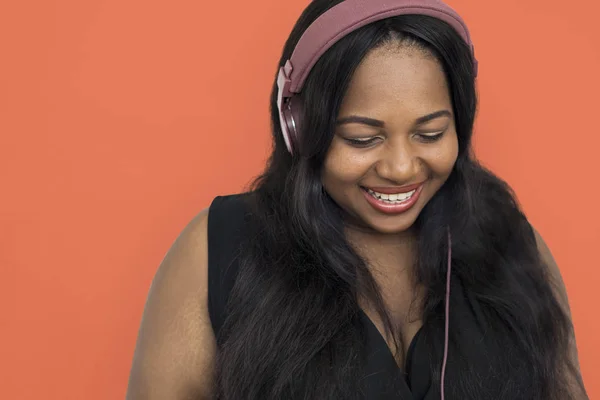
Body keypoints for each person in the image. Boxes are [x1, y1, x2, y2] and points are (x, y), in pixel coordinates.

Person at [125, 0, 589, 399]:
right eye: (362, 139)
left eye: (430, 133)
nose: (402, 167)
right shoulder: (219, 251)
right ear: (299, 128)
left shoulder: (514, 243)